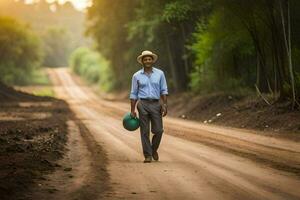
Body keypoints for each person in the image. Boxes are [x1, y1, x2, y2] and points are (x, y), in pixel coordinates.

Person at [130, 50, 168, 163]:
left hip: (156, 104)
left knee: (159, 130)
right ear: (142, 61)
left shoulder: (160, 74)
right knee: (144, 131)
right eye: (145, 59)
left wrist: (165, 104)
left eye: (149, 59)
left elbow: (164, 90)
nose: (147, 61)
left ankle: (153, 149)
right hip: (143, 104)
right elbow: (133, 93)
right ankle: (147, 155)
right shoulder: (136, 76)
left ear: (152, 60)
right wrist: (132, 110)